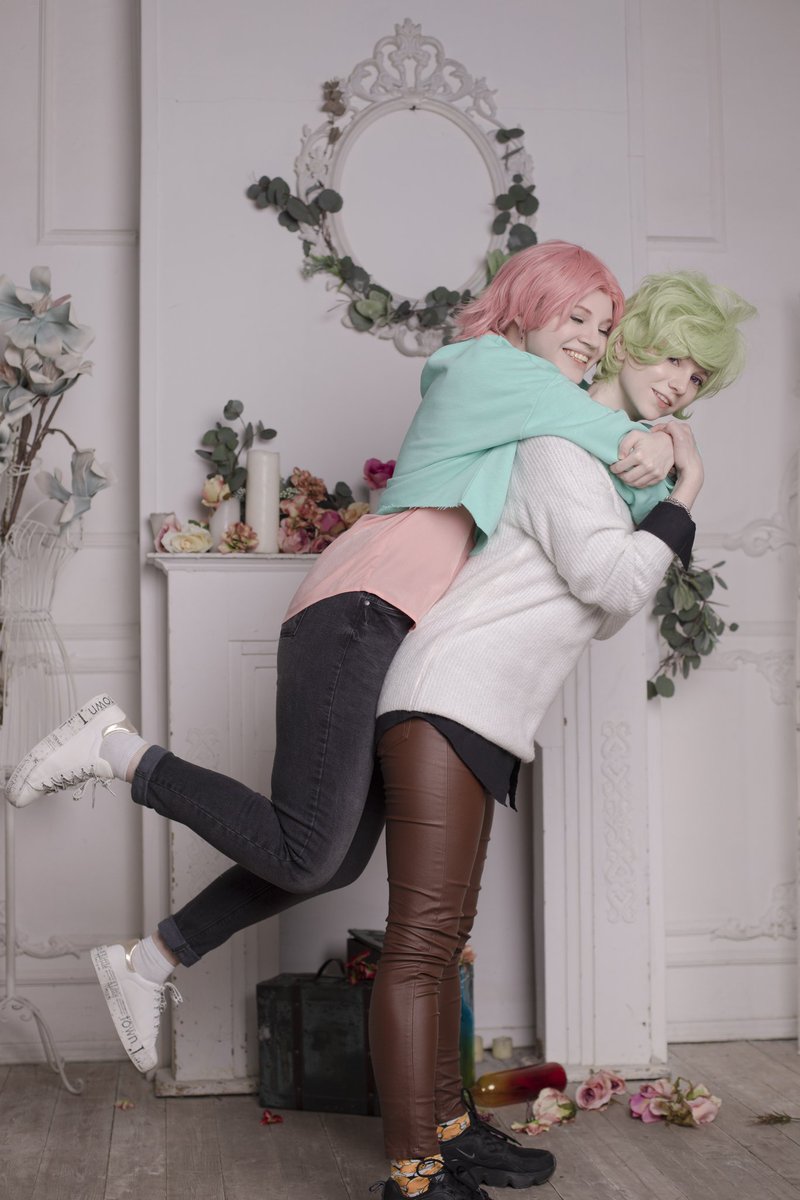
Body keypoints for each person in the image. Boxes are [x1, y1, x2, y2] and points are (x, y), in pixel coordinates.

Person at [6, 244, 676, 1188]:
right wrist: (674, 449)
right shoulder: (485, 367)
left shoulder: (537, 405)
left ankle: (151, 960)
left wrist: (661, 462)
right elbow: (616, 447)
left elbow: (617, 488)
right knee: (311, 848)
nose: (592, 341)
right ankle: (116, 748)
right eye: (577, 317)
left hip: (395, 628)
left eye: (604, 328)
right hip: (362, 605)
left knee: (328, 857)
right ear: (527, 306)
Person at [366, 270, 755, 1199]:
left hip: (487, 714)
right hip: (447, 697)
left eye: (699, 377)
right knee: (420, 945)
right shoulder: (558, 448)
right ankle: (414, 1176)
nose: (680, 384)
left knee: (445, 940)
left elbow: (607, 609)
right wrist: (688, 488)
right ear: (630, 343)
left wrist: (652, 508)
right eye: (672, 357)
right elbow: (614, 585)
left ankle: (451, 1132)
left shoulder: (606, 474)